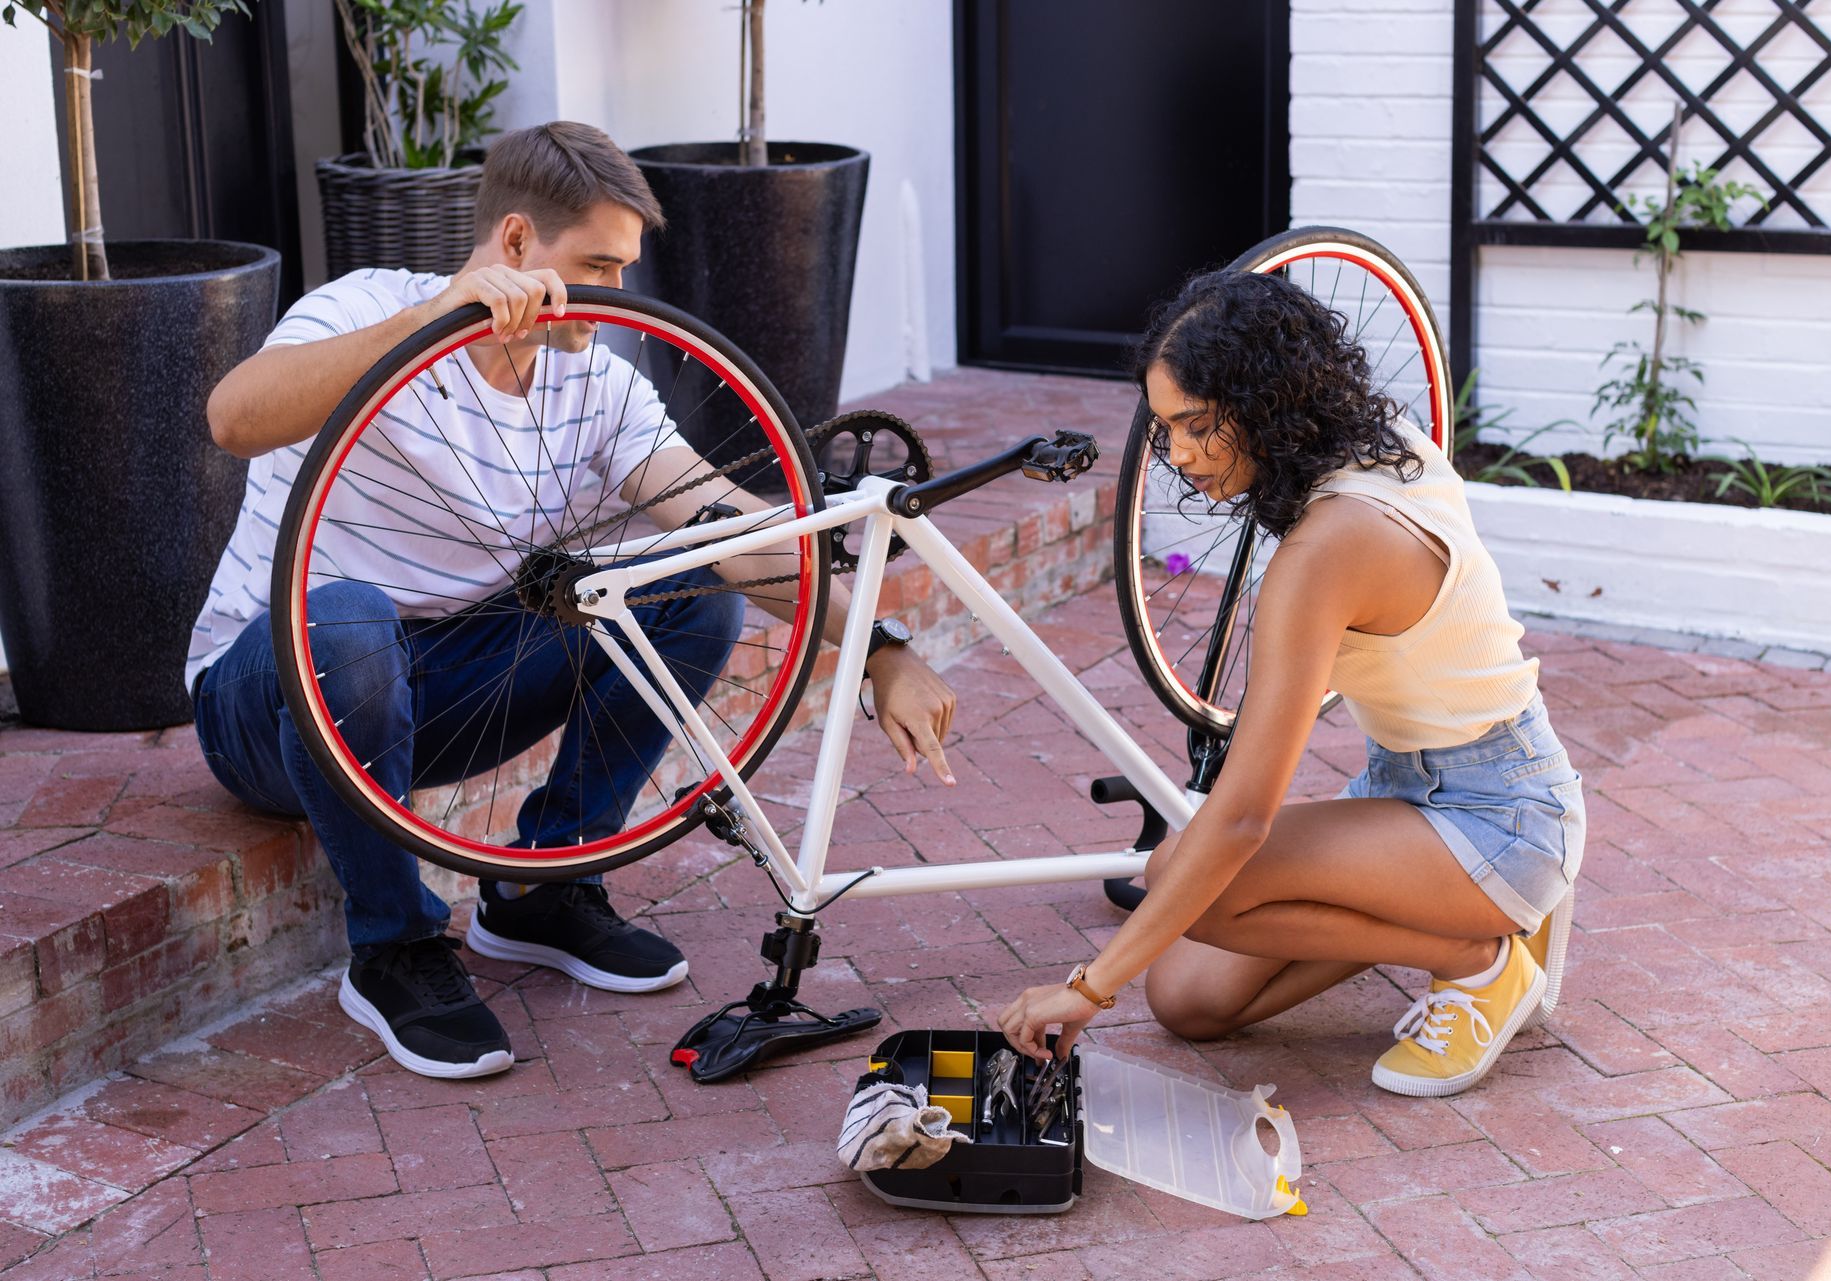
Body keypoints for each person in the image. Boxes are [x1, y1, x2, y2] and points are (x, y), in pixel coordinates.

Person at [191, 122, 959, 1080]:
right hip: (273, 699)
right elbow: (232, 416)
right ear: (515, 244)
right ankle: (397, 948)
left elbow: (725, 528)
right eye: (597, 264)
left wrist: (879, 646)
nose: (619, 295)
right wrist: (430, 323)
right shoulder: (365, 306)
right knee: (347, 614)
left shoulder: (594, 379)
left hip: (443, 692)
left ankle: (541, 886)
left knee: (690, 582)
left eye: (627, 267)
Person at [997, 269, 1585, 1097]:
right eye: (1165, 429)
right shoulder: (1373, 439)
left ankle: (1479, 956)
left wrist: (1089, 986)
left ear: (1268, 403)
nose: (1180, 455)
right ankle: (1437, 915)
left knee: (1178, 877)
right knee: (1189, 999)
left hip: (1501, 812)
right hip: (1412, 783)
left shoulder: (1329, 546)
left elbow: (1239, 818)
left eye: (1198, 425)